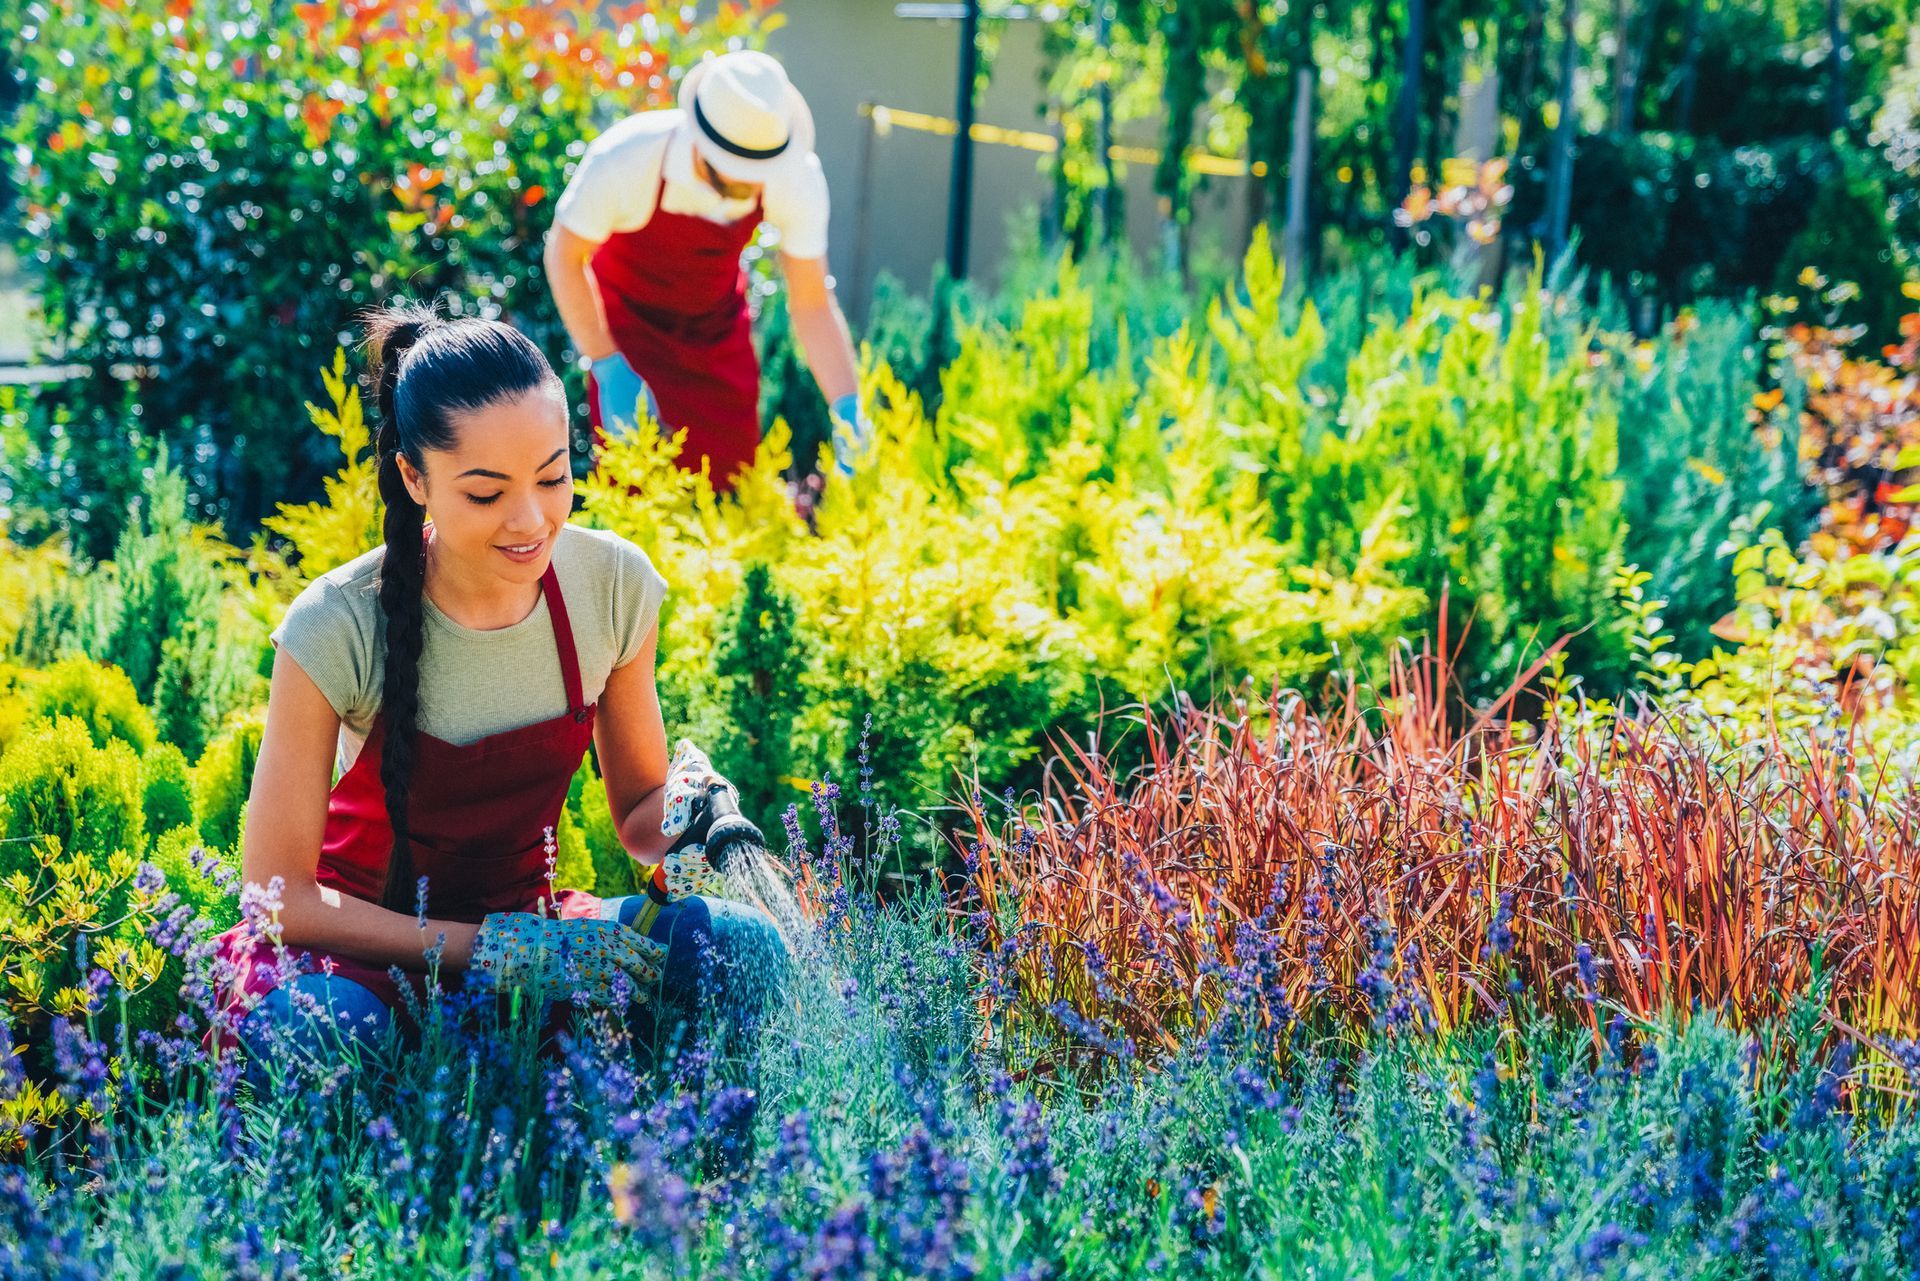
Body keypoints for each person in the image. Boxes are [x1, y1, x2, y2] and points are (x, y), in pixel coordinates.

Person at [213, 300, 787, 1076]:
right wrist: (487, 949)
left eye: (555, 477)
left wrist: (698, 812)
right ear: (415, 477)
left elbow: (639, 815)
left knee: (743, 950)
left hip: (539, 936)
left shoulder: (608, 585)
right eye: (486, 493)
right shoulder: (336, 623)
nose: (531, 520)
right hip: (359, 962)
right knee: (313, 1039)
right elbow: (279, 898)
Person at [544, 49, 871, 491]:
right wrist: (607, 365)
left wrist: (848, 409)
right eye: (736, 172)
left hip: (716, 334)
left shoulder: (793, 175)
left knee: (732, 485)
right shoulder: (626, 158)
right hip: (626, 332)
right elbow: (564, 255)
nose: (749, 185)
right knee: (635, 493)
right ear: (699, 140)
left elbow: (812, 302)